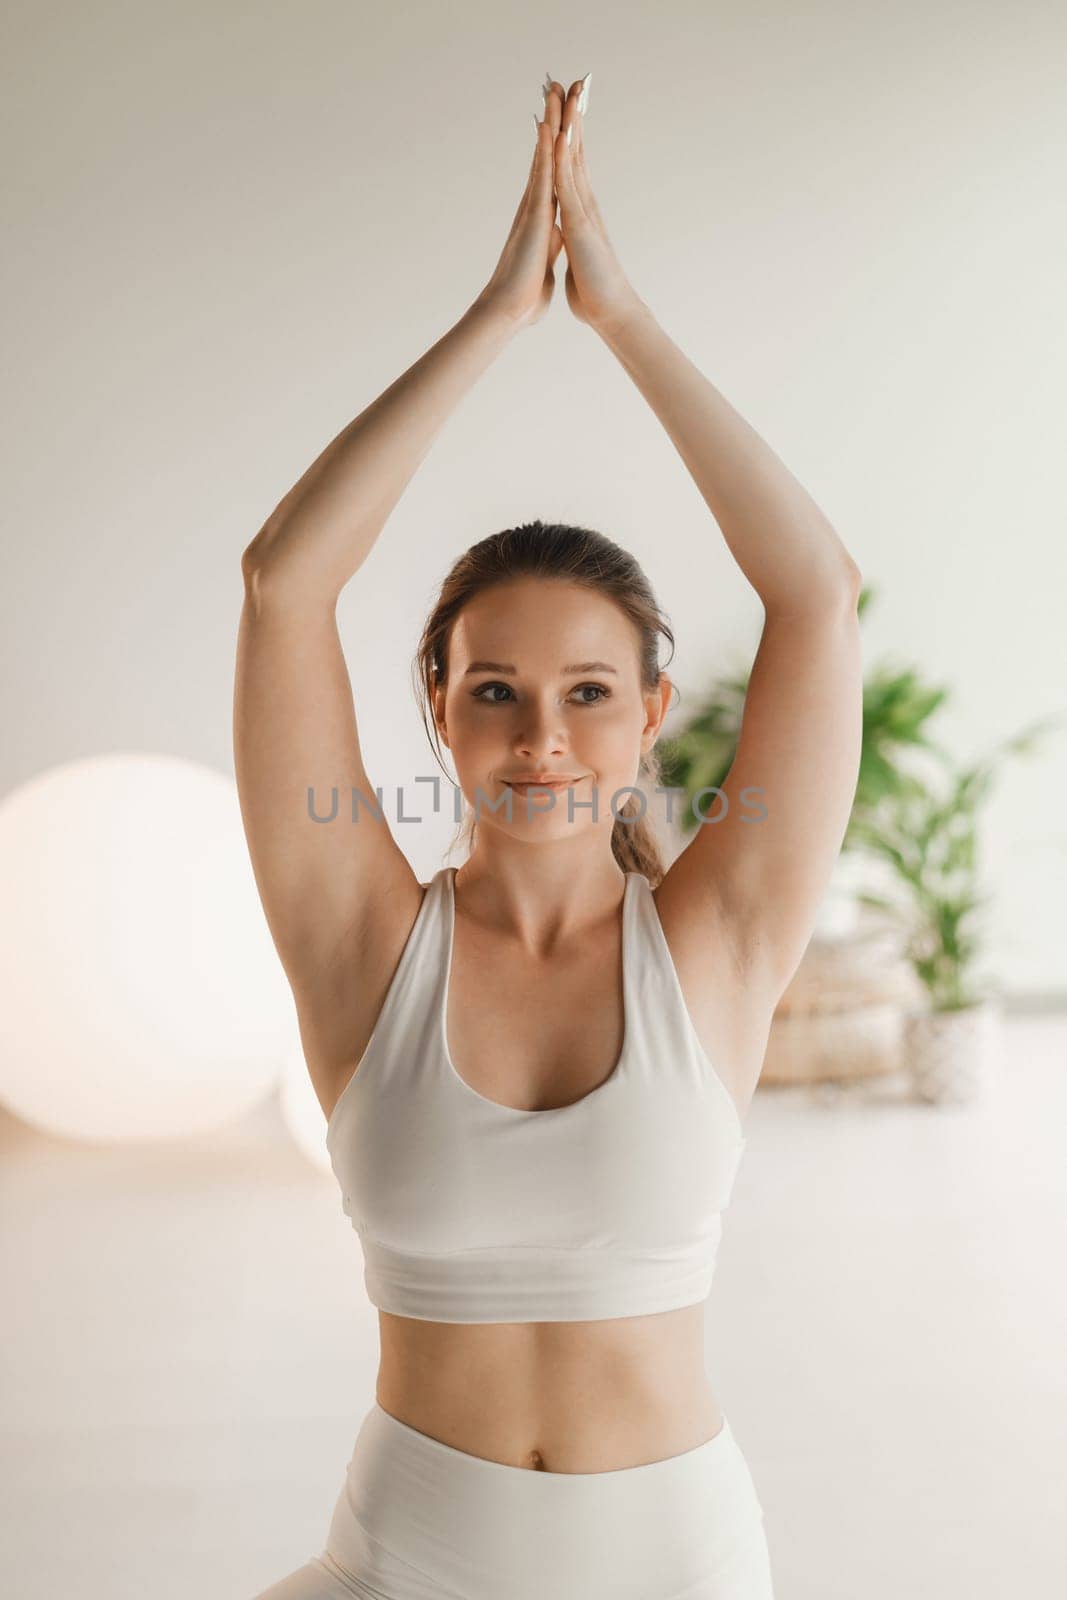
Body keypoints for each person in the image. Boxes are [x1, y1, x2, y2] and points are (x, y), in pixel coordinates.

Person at [235, 71, 863, 1600]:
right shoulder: (363, 947)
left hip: (676, 1565)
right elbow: (281, 587)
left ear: (653, 718)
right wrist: (498, 318)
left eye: (590, 692)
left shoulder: (713, 943)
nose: (541, 738)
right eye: (496, 690)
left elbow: (819, 597)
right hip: (405, 1563)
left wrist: (623, 314)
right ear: (437, 713)